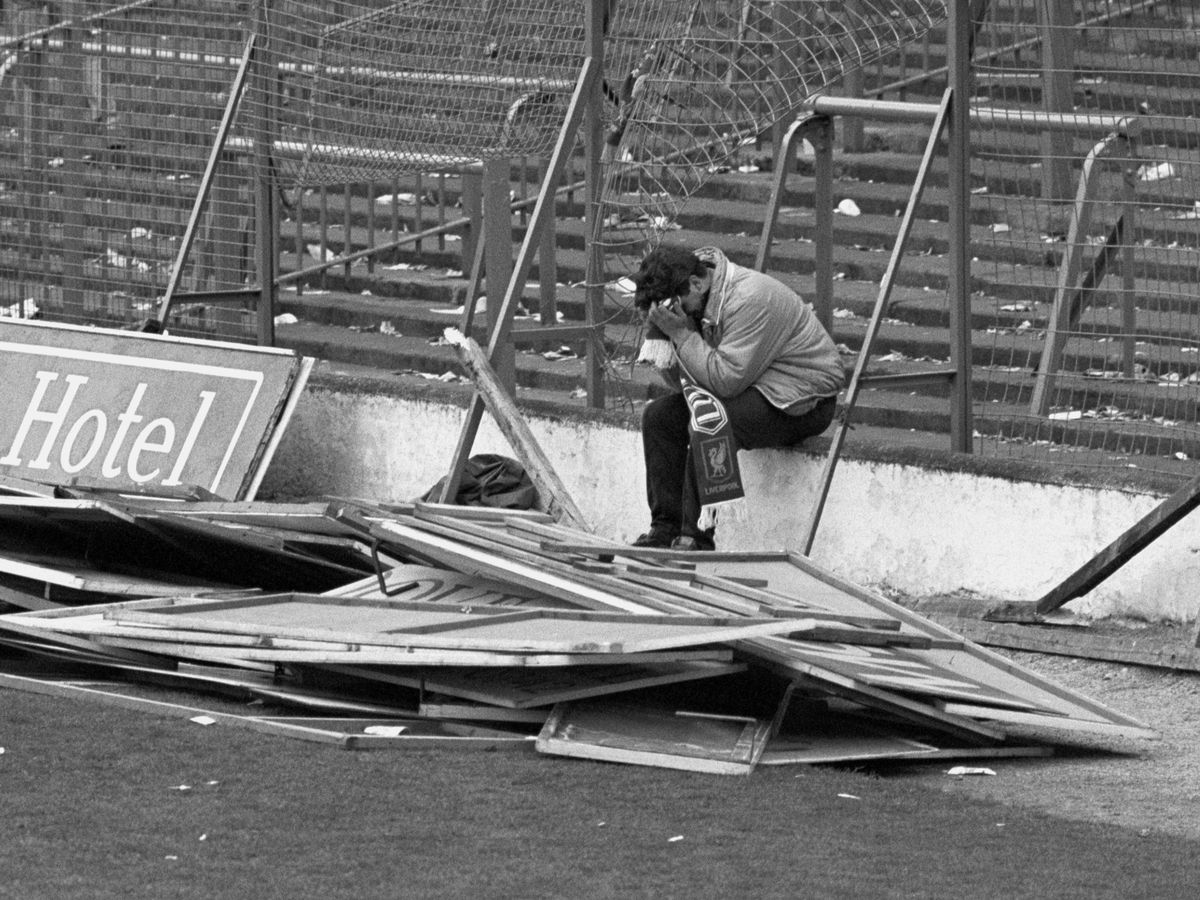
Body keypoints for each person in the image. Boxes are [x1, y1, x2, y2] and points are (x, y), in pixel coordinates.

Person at [629, 244, 845, 550]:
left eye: (673, 303)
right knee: (659, 417)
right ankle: (664, 529)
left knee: (712, 420)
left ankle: (696, 538)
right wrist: (664, 336)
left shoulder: (750, 298)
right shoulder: (694, 302)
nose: (672, 312)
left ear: (696, 283)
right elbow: (687, 385)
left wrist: (680, 335)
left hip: (802, 401)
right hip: (750, 386)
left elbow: (724, 382)